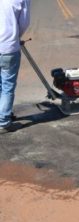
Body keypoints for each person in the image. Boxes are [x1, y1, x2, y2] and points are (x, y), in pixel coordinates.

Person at [0, 0, 30, 134]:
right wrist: (16, 37)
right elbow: (24, 23)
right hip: (8, 47)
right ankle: (3, 122)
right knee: (7, 86)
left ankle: (2, 113)